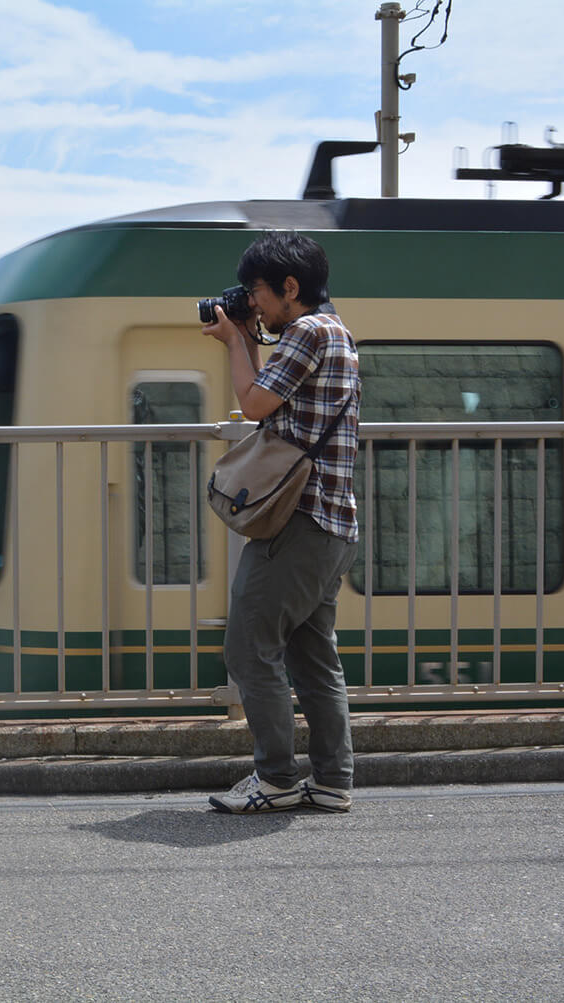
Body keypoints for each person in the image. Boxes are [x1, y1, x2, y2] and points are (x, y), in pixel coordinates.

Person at [200, 231, 361, 814]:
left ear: (291, 288)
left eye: (258, 292)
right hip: (331, 524)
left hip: (298, 524)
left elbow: (256, 403)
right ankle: (332, 780)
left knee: (248, 649)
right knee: (313, 656)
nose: (253, 302)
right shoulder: (334, 331)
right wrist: (246, 332)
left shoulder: (308, 331)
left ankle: (274, 780)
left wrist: (234, 342)